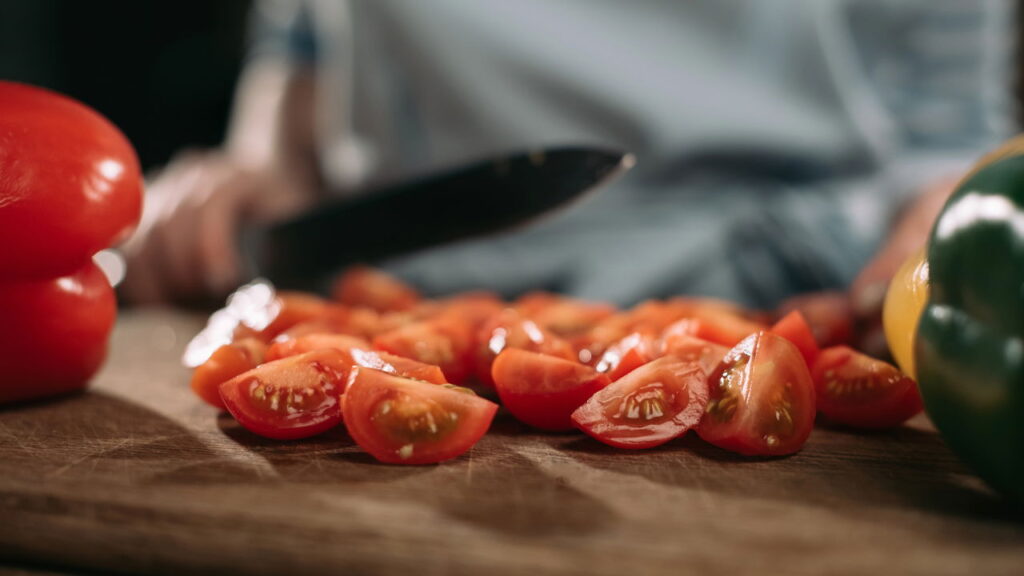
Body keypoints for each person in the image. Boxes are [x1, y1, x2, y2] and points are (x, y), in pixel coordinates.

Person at [121, 0, 1016, 349]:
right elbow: (308, 34)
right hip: (379, 287)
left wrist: (945, 241)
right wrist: (262, 166)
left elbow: (944, 128)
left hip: (788, 307)